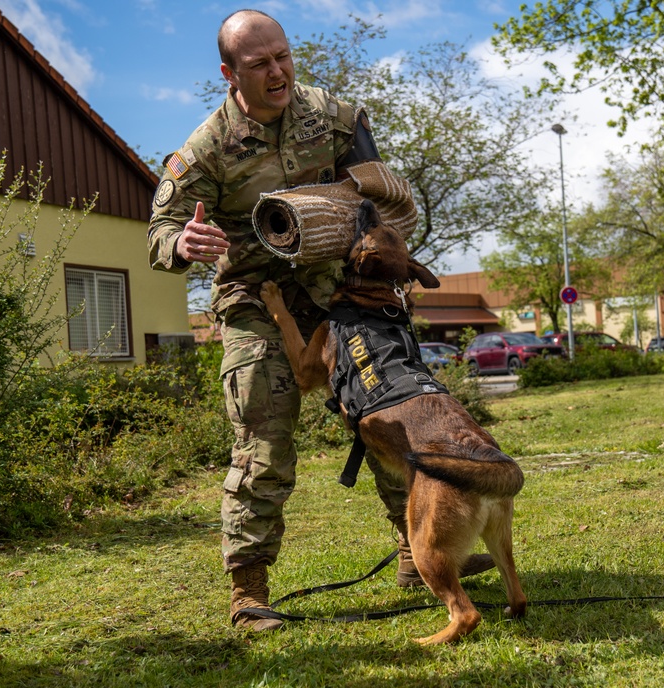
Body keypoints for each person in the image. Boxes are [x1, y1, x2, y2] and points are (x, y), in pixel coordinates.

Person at [147, 10, 492, 632]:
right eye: (259, 64)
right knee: (263, 444)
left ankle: (419, 555)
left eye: (282, 56)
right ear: (230, 73)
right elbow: (161, 234)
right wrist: (183, 244)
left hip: (344, 299)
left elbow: (381, 201)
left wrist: (383, 252)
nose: (277, 71)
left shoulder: (334, 115)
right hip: (258, 302)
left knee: (397, 422)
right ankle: (248, 593)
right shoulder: (204, 150)